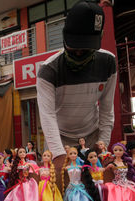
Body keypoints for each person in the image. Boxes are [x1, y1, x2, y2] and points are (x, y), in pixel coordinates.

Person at [36, 0, 117, 180]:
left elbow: (106, 110)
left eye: (86, 46)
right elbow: (47, 116)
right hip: (59, 138)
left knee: (96, 191)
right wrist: (57, 154)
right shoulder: (48, 70)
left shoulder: (108, 63)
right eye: (75, 44)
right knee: (57, 194)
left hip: (91, 136)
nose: (79, 52)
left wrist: (102, 145)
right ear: (65, 36)